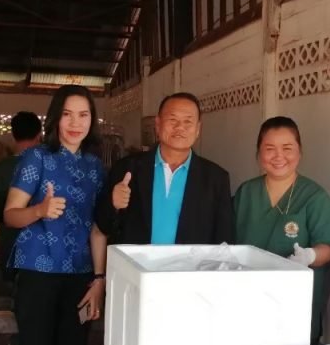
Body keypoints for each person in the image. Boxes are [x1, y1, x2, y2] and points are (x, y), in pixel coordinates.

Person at [3, 85, 106, 345]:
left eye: (84, 115)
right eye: (68, 114)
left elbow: (97, 228)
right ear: (55, 118)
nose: (76, 123)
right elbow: (11, 214)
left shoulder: (95, 166)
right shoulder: (37, 158)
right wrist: (40, 210)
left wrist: (98, 280)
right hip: (38, 273)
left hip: (78, 277)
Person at [233, 117, 330, 345]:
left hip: (295, 306)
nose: (278, 156)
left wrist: (309, 256)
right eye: (269, 149)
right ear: (258, 153)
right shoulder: (246, 193)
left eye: (287, 148)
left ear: (300, 152)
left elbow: (327, 248)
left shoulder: (314, 196)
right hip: (249, 301)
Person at [95, 93, 233, 245]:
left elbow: (224, 242)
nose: (180, 127)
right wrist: (112, 204)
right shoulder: (127, 169)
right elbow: (103, 227)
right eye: (172, 120)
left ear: (198, 129)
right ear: (158, 124)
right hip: (136, 261)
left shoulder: (216, 179)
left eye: (188, 121)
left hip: (190, 261)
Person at [0, 111, 43, 345]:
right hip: (42, 245)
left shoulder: (1, 169)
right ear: (40, 134)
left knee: (19, 295)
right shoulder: (47, 163)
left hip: (11, 241)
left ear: (12, 135)